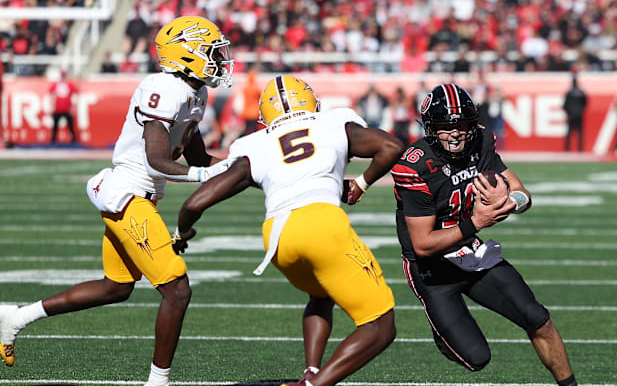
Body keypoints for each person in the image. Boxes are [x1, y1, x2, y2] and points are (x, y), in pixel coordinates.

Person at [0, 16, 234, 386]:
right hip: (128, 195)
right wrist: (204, 176)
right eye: (212, 51)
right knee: (177, 289)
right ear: (187, 55)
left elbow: (199, 158)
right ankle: (158, 383)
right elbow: (159, 159)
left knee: (116, 287)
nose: (221, 58)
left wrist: (246, 167)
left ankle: (15, 317)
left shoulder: (196, 93)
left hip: (142, 198)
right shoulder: (163, 87)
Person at [173, 75, 402, 386]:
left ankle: (311, 370)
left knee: (320, 295)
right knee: (380, 326)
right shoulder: (334, 121)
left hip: (279, 239)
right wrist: (360, 184)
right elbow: (391, 146)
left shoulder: (255, 143)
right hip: (322, 224)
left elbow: (194, 204)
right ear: (311, 102)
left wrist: (182, 233)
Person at [391, 84, 577, 386]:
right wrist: (476, 222)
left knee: (538, 319)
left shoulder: (481, 142)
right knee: (477, 358)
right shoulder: (414, 166)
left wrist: (512, 203)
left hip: (472, 252)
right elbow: (423, 245)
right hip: (432, 269)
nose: (456, 133)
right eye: (445, 127)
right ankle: (444, 334)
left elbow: (521, 192)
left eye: (463, 125)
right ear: (430, 129)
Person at [49, 69, 79, 144]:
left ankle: (73, 140)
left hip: (67, 109)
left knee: (70, 126)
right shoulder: (56, 84)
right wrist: (52, 107)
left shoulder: (69, 85)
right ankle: (53, 140)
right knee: (55, 126)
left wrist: (73, 108)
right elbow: (51, 95)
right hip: (58, 109)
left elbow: (75, 95)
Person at [563, 73, 587, 152]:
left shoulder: (569, 93)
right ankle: (580, 149)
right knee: (580, 133)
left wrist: (569, 112)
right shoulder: (581, 93)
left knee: (569, 133)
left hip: (571, 115)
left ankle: (567, 149)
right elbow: (585, 103)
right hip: (579, 115)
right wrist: (580, 111)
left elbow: (565, 104)